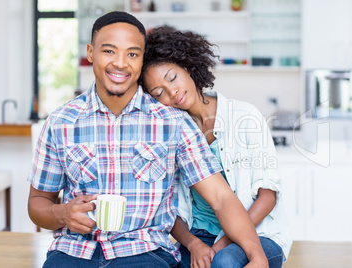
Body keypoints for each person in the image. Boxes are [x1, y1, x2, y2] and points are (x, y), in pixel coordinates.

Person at [27, 11, 267, 268]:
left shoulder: (173, 123)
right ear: (90, 52)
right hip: (73, 253)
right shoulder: (60, 121)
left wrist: (257, 256)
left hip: (144, 253)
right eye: (109, 51)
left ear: (141, 61)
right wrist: (61, 214)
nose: (120, 63)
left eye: (132, 54)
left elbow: (221, 197)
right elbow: (38, 202)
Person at [140, 26, 292, 268]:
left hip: (259, 233)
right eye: (159, 93)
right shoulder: (169, 133)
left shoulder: (245, 116)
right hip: (198, 236)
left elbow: (267, 196)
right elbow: (167, 209)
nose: (172, 92)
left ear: (187, 67)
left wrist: (221, 243)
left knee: (225, 262)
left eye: (172, 78)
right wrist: (193, 244)